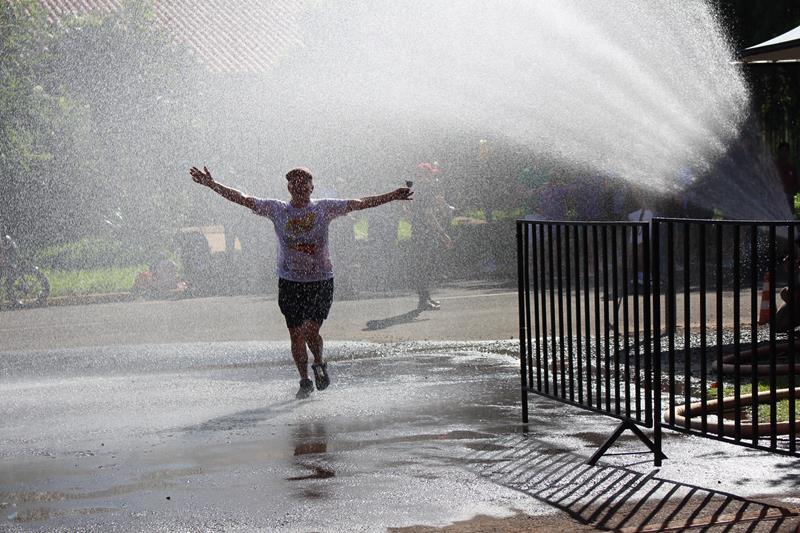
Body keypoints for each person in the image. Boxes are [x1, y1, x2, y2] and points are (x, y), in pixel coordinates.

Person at [189, 165, 412, 399]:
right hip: (290, 281)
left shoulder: (323, 208)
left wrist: (392, 196)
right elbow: (244, 199)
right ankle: (304, 380)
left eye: (304, 183)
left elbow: (359, 202)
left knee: (310, 330)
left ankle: (318, 361)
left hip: (320, 280)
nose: (299, 187)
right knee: (295, 333)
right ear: (288, 188)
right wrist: (212, 185)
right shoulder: (277, 209)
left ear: (312, 187)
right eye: (294, 183)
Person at [406, 162, 453, 310]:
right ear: (425, 176)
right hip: (424, 233)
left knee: (424, 267)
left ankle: (426, 298)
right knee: (423, 267)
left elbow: (409, 211)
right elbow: (428, 215)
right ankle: (423, 301)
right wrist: (442, 234)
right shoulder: (425, 190)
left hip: (419, 231)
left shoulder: (417, 189)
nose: (433, 177)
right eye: (431, 174)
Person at [775, 141, 799, 213]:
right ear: (778, 152)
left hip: (788, 199)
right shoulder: (773, 166)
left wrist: (791, 192)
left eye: (786, 150)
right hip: (775, 199)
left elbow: (797, 184)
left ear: (788, 152)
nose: (784, 153)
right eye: (782, 150)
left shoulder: (791, 168)